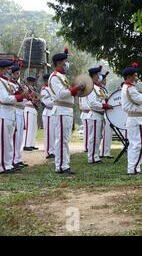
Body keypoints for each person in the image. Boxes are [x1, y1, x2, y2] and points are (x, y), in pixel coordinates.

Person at [48, 47, 83, 175]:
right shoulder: (55, 77)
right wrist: (75, 89)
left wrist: (76, 90)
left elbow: (67, 93)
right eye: (64, 61)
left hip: (66, 111)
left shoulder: (62, 77)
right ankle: (61, 166)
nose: (66, 64)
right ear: (58, 63)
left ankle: (64, 164)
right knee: (62, 140)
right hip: (61, 111)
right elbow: (61, 94)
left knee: (65, 139)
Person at [121, 63, 142, 175]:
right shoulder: (129, 88)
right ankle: (134, 168)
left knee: (134, 144)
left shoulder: (129, 88)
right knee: (140, 144)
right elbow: (140, 100)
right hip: (137, 119)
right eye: (135, 75)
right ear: (129, 77)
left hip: (135, 119)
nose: (137, 77)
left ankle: (132, 168)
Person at [0, 60, 28, 174]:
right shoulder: (0, 82)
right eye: (7, 69)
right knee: (4, 141)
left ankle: (8, 164)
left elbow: (13, 95)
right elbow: (5, 99)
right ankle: (2, 166)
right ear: (1, 70)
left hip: (10, 113)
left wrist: (21, 94)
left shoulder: (7, 82)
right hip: (3, 113)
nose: (9, 72)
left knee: (9, 141)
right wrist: (20, 96)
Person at [86, 66, 111, 164]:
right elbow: (92, 104)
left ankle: (95, 156)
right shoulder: (91, 88)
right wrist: (104, 106)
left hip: (99, 115)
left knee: (98, 137)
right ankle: (92, 157)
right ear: (94, 76)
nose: (100, 76)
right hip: (95, 115)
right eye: (98, 75)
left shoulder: (99, 88)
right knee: (94, 137)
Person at [10, 66, 28, 168]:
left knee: (20, 136)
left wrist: (27, 97)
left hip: (21, 111)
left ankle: (17, 158)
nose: (18, 75)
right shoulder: (12, 85)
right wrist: (22, 94)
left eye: (18, 73)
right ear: (12, 74)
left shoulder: (18, 85)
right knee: (15, 137)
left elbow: (22, 100)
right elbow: (15, 98)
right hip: (15, 111)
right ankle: (13, 159)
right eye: (16, 73)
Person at [40, 74, 55, 159]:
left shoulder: (51, 89)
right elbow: (47, 102)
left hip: (53, 112)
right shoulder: (44, 89)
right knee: (49, 133)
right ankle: (49, 152)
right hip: (48, 112)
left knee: (53, 133)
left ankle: (53, 150)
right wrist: (57, 102)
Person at [100, 72, 114, 159]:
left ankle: (106, 151)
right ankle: (105, 152)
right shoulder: (100, 89)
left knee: (108, 134)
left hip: (106, 112)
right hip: (104, 112)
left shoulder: (104, 89)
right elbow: (103, 101)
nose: (105, 81)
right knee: (106, 133)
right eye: (104, 79)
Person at [23, 76, 39, 151]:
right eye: (33, 81)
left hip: (33, 109)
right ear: (30, 82)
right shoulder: (25, 88)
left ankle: (31, 144)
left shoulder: (34, 89)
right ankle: (26, 144)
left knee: (33, 128)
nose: (34, 83)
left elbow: (36, 98)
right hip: (28, 108)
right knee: (28, 128)